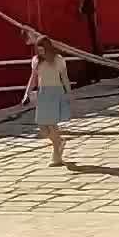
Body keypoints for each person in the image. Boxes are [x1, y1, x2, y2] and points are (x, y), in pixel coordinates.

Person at [21, 36, 71, 166]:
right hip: (43, 93)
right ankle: (59, 142)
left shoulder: (58, 60)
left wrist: (69, 93)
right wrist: (26, 93)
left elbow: (65, 78)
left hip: (55, 92)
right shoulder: (36, 61)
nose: (40, 53)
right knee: (42, 126)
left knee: (52, 123)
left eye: (43, 50)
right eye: (39, 50)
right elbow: (33, 78)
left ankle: (56, 155)